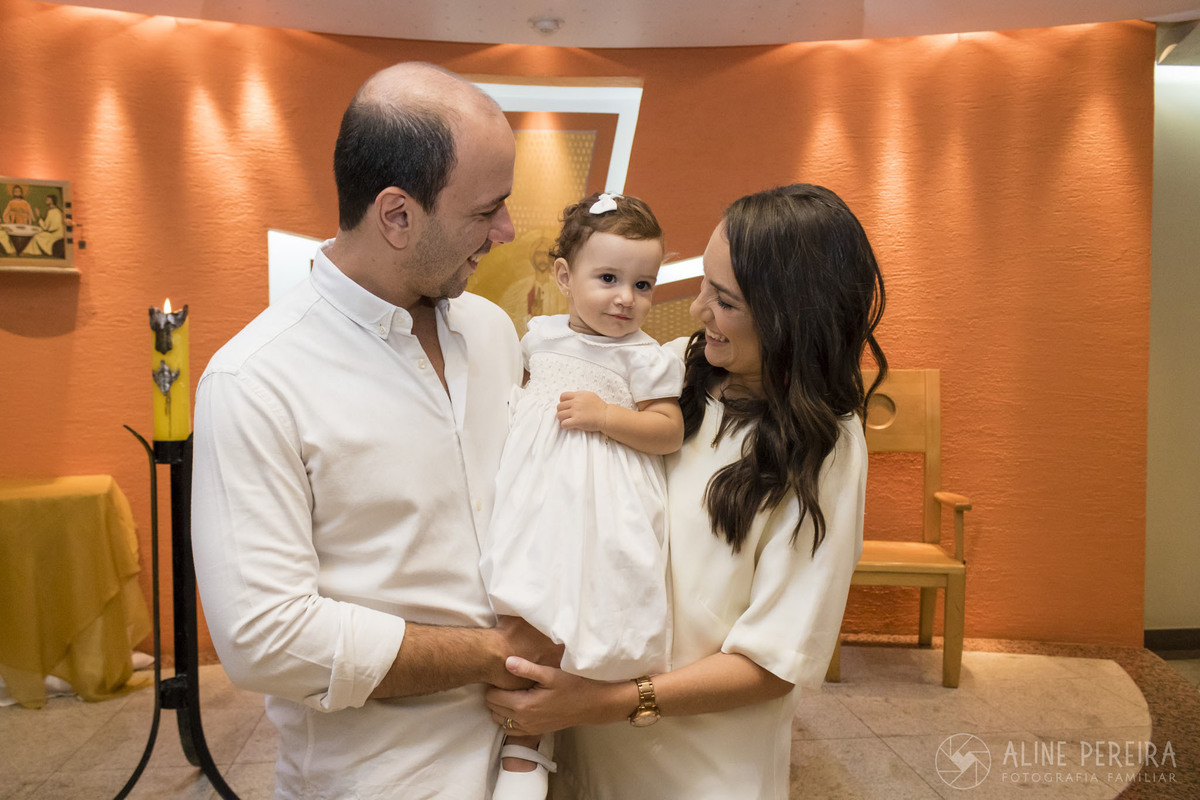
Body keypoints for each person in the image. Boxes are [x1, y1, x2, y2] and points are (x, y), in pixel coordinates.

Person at [191, 62, 560, 800]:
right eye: (487, 210)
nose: (507, 230)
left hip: (537, 756)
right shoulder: (255, 379)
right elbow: (265, 639)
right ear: (397, 215)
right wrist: (497, 653)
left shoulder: (492, 331)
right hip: (384, 778)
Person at [485, 183, 888, 800]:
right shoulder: (672, 369)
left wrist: (605, 702)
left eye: (724, 300)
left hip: (696, 769)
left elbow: (773, 661)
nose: (698, 309)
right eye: (704, 285)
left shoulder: (825, 447)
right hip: (578, 743)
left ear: (789, 315)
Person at [479, 192, 684, 799]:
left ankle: (534, 740)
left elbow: (668, 430)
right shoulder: (540, 336)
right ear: (566, 277)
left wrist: (607, 417)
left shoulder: (644, 357)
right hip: (535, 493)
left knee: (582, 603)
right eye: (609, 279)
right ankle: (518, 727)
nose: (626, 298)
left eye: (643, 285)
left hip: (601, 503)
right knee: (524, 596)